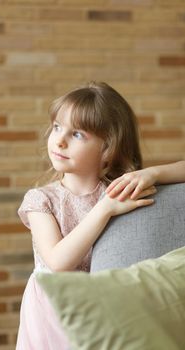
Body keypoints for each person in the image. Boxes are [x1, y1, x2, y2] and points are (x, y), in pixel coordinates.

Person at [16, 82, 185, 350]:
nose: (59, 140)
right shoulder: (40, 200)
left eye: (78, 134)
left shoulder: (119, 189)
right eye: (57, 127)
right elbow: (58, 261)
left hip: (102, 301)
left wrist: (153, 174)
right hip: (52, 308)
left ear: (108, 148)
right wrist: (105, 209)